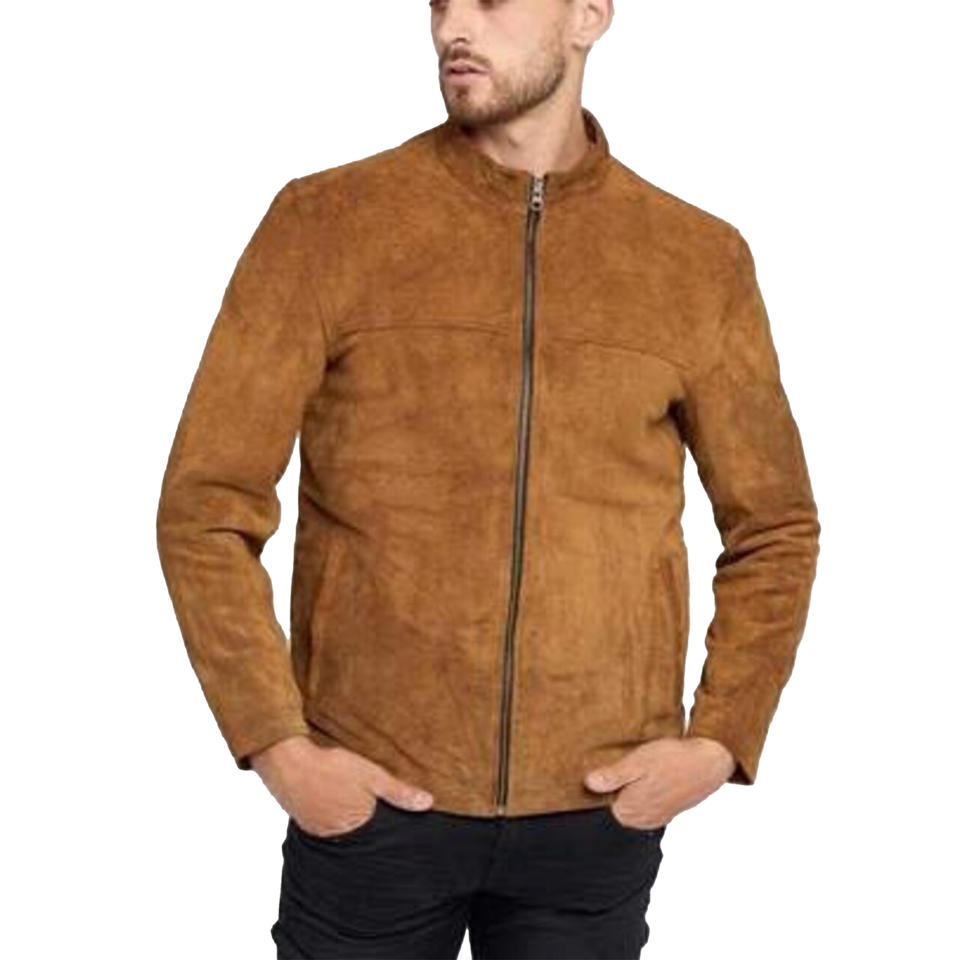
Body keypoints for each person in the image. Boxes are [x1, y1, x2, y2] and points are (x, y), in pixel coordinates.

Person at [155, 1, 821, 956]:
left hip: (595, 813)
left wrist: (720, 740)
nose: (452, 28)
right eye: (440, 2)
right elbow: (205, 507)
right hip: (372, 804)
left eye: (492, 0)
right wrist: (280, 747)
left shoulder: (697, 260)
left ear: (589, 15)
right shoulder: (328, 222)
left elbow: (775, 525)